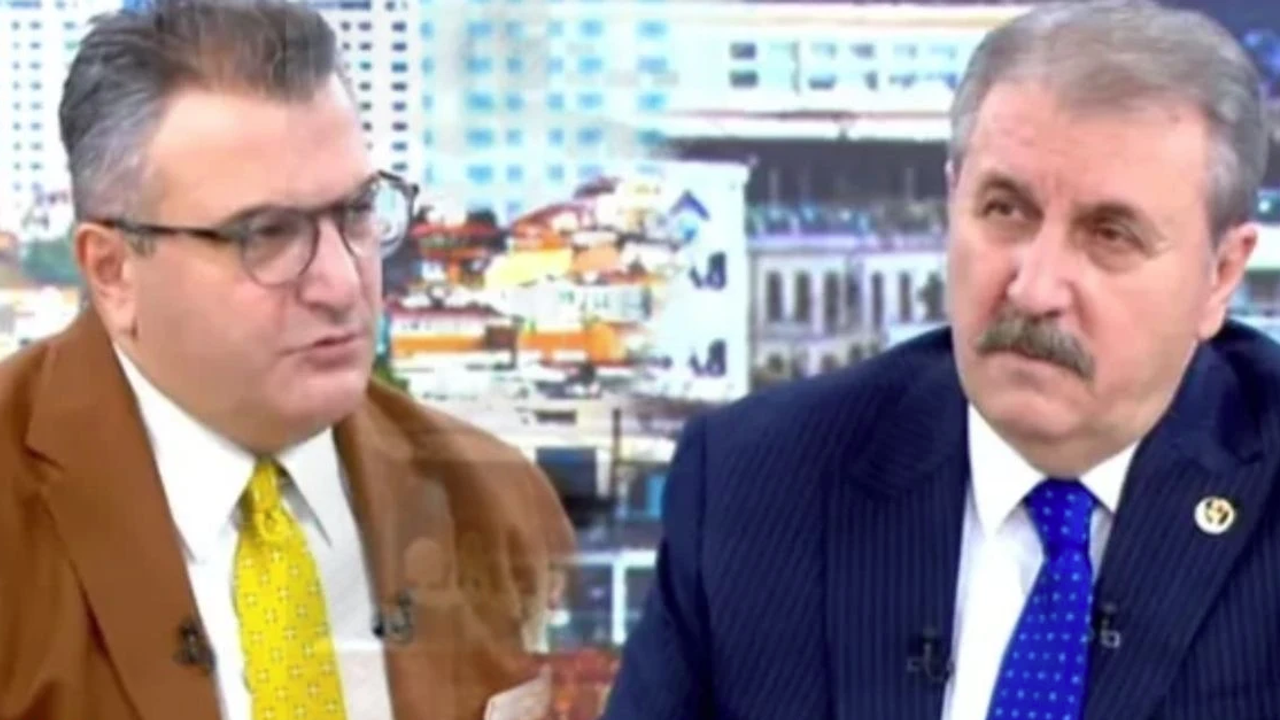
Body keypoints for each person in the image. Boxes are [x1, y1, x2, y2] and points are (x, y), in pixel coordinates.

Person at [604, 1, 1280, 719]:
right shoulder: (758, 481)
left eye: (1110, 234)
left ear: (1220, 275)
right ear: (953, 200)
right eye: (1006, 210)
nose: (1034, 288)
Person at [0, 1, 574, 719]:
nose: (340, 283)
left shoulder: (498, 502)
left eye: (357, 212)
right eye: (266, 234)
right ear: (113, 271)